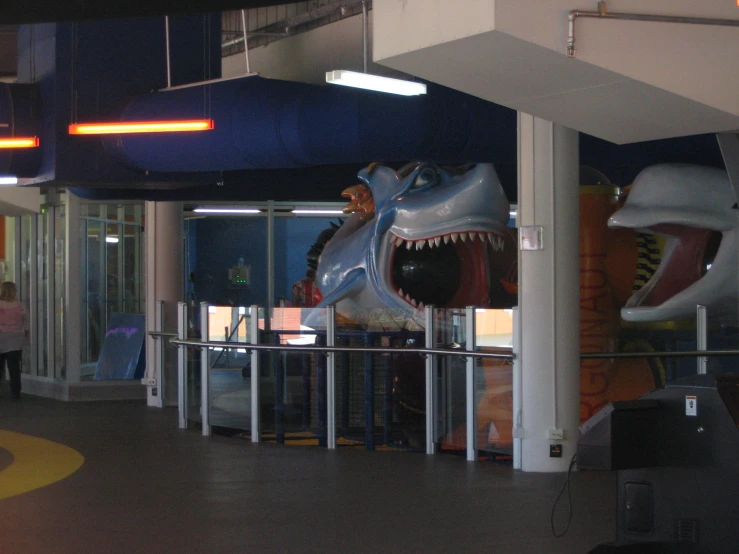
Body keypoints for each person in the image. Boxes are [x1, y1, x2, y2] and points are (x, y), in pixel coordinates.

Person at [0, 282, 29, 399]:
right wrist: (24, 333)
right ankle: (16, 391)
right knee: (14, 367)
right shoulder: (19, 306)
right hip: (15, 339)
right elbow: (26, 321)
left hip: (1, 336)